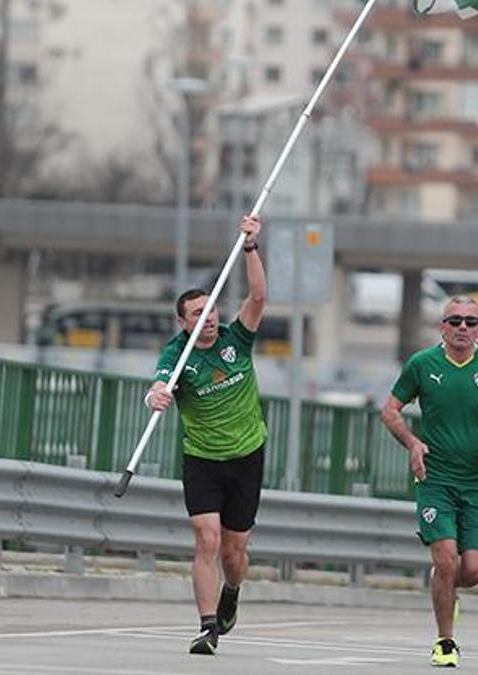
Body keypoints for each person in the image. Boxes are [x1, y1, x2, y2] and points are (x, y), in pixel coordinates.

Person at [380, 295, 478, 668]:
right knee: (446, 560)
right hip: (436, 478)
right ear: (441, 326)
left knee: (474, 570)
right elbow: (390, 410)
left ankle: (444, 588)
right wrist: (412, 443)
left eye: (471, 322)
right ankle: (445, 642)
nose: (463, 327)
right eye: (455, 320)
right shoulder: (422, 364)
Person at [145, 214, 267, 655]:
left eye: (212, 309)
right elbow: (160, 384)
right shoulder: (177, 355)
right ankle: (207, 625)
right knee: (207, 540)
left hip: (247, 453)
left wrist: (251, 246)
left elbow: (258, 295)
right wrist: (155, 396)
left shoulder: (238, 337)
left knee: (234, 555)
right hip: (202, 457)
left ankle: (231, 592)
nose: (209, 318)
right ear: (183, 322)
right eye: (198, 314)